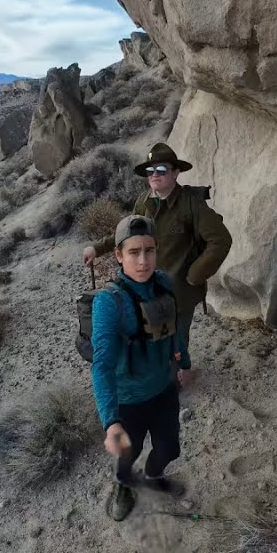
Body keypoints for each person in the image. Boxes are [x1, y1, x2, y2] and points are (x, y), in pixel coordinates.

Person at [83, 143, 231, 384]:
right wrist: (97, 248)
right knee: (154, 332)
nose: (154, 175)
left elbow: (221, 240)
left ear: (175, 173)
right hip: (149, 286)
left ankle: (182, 373)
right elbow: (126, 235)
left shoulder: (191, 204)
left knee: (178, 335)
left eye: (161, 169)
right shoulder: (144, 202)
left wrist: (195, 275)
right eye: (150, 170)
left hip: (181, 290)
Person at [90, 214, 189, 522]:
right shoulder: (109, 302)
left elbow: (174, 328)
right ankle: (124, 485)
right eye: (134, 252)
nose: (143, 260)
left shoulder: (163, 282)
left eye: (149, 250)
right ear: (119, 255)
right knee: (126, 454)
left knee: (169, 448)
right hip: (128, 400)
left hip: (164, 389)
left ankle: (152, 476)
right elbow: (101, 364)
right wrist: (111, 422)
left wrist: (183, 361)